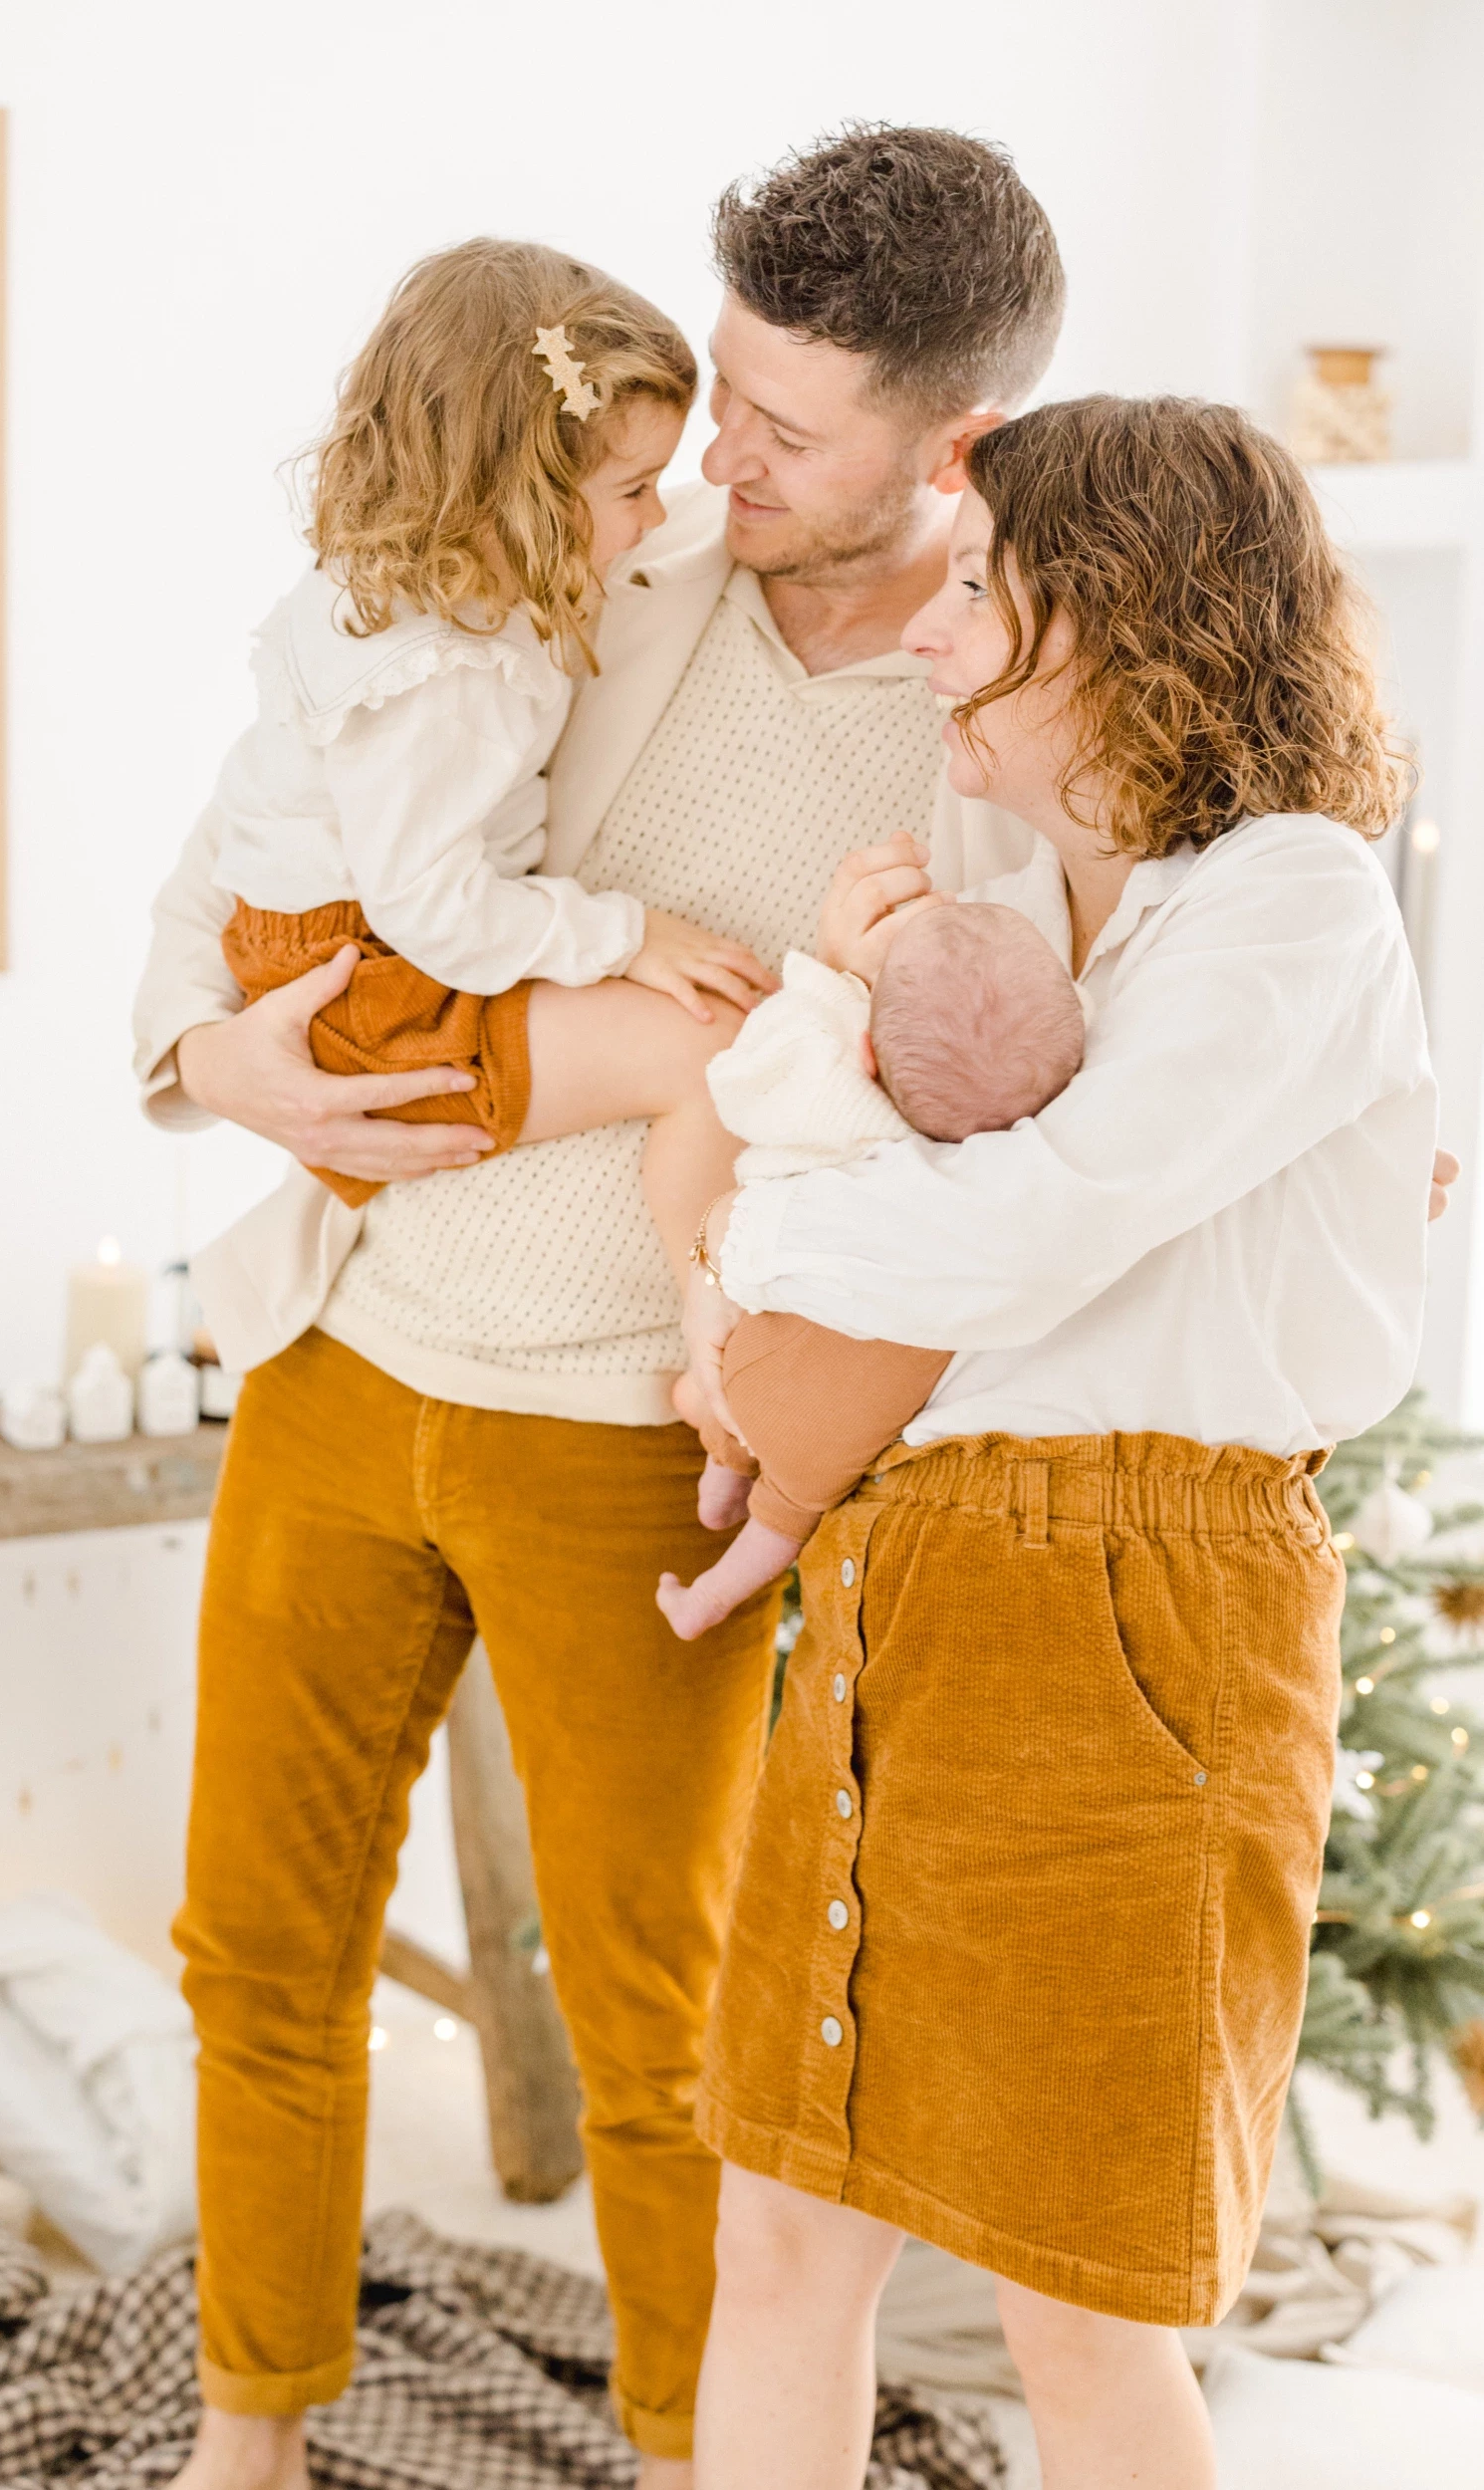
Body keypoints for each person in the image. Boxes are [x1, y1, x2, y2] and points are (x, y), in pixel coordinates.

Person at [132, 125, 1065, 2490]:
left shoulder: (1000, 745)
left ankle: (687, 2453)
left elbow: (958, 1124)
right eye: (715, 390)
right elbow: (255, 839)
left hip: (631, 1435)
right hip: (351, 1361)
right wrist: (207, 1059)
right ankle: (249, 2444)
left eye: (780, 426)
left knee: (668, 2028)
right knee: (256, 1957)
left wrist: (516, 1066)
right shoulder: (607, 560)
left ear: (948, 441)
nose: (707, 462)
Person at [681, 395, 1439, 2490]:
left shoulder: (1288, 901)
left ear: (1104, 618)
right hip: (907, 1577)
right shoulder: (1022, 908)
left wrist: (760, 1250)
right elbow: (903, 1194)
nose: (930, 633)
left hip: (1133, 1601)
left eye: (977, 588)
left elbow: (1024, 1230)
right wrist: (791, 1268)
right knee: (775, 2227)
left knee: (1075, 2299)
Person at [214, 238, 776, 1292]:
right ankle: (715, 1324)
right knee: (711, 1053)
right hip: (359, 980)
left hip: (338, 945)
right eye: (635, 489)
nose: (658, 516)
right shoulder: (442, 682)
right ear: (513, 499)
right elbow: (431, 910)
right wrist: (624, 936)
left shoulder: (420, 579)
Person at [657, 896, 1084, 1638]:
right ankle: (708, 1596)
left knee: (736, 1395)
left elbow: (752, 1068)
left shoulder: (838, 1102)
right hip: (853, 1393)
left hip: (765, 1337)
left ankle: (718, 1459)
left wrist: (833, 979)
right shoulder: (1005, 1176)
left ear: (867, 1055)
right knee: (787, 1511)